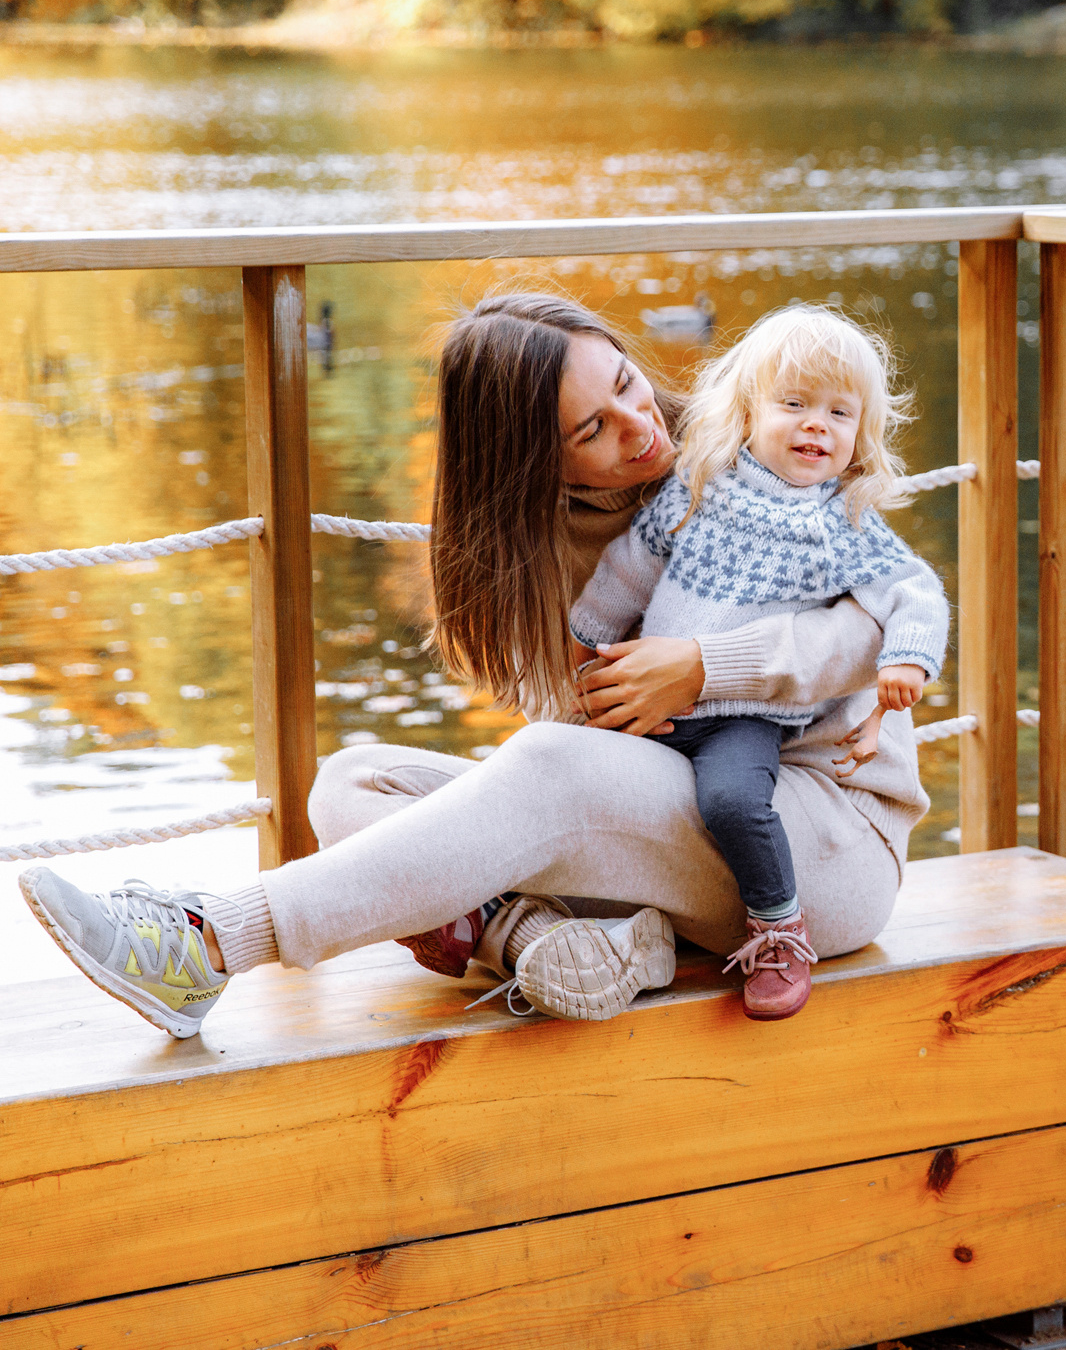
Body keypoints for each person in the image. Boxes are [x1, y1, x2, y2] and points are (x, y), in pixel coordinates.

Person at [18, 291, 926, 1040]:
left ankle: (210, 943)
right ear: (536, 460)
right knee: (349, 786)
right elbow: (582, 759)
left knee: (542, 765)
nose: (641, 425)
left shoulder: (751, 451)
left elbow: (871, 632)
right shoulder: (527, 564)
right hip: (671, 844)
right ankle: (563, 944)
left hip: (816, 846)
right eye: (593, 429)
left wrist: (702, 665)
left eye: (628, 382)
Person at [570, 304, 946, 1021]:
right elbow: (630, 565)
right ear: (747, 412)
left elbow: (914, 590)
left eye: (839, 412)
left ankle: (779, 927)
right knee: (577, 768)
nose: (816, 425)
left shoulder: (843, 520)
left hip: (746, 716)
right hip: (657, 702)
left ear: (859, 433)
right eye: (796, 404)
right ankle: (529, 910)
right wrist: (586, 636)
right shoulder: (700, 484)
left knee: (733, 802)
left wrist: (908, 660)